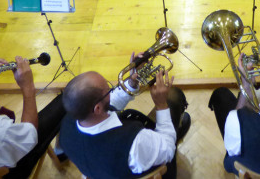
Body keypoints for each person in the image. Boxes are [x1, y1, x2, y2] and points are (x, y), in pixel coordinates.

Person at [60, 64, 190, 179]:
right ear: (97, 108)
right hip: (151, 163)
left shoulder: (68, 124)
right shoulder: (134, 142)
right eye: (109, 90)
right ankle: (175, 131)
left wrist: (132, 82)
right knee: (174, 96)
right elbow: (168, 150)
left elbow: (109, 103)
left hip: (101, 170)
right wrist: (161, 105)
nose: (111, 91)